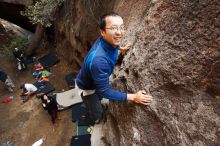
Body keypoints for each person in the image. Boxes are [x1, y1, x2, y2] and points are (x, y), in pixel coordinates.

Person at [76, 12, 153, 124]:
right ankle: (98, 119)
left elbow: (113, 44)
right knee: (97, 111)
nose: (119, 32)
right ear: (102, 32)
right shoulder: (99, 60)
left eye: (121, 28)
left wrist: (121, 48)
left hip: (92, 78)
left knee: (98, 97)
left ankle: (96, 105)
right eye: (113, 28)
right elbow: (105, 91)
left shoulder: (108, 41)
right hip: (86, 87)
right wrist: (134, 97)